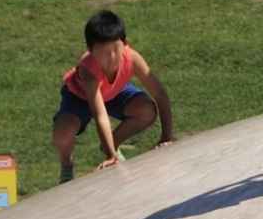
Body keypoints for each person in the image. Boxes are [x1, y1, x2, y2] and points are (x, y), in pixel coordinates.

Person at [53, 10, 176, 183]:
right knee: (62, 134)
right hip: (79, 97)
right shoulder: (88, 70)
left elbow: (160, 94)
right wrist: (112, 157)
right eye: (103, 52)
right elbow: (100, 114)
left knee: (146, 110)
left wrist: (167, 137)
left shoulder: (132, 58)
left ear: (125, 43)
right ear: (90, 50)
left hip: (113, 92)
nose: (111, 57)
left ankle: (111, 144)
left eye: (116, 49)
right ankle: (67, 165)